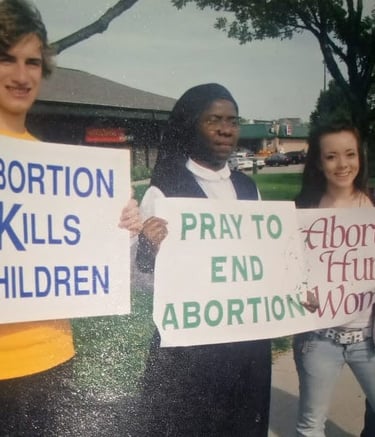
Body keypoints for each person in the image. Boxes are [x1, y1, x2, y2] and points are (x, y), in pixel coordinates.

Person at [0, 1, 141, 434]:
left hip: (52, 355)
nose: (22, 76)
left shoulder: (55, 168)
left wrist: (123, 227)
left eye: (32, 62)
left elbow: (81, 259)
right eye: (6, 58)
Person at [136, 83, 271, 436]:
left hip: (245, 342)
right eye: (214, 120)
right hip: (190, 351)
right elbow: (143, 280)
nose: (226, 129)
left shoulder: (248, 188)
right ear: (192, 125)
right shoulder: (164, 189)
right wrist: (149, 249)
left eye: (233, 120)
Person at [293, 120, 375, 437]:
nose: (343, 165)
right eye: (331, 156)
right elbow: (286, 268)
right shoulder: (301, 211)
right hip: (318, 339)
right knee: (311, 425)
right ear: (318, 161)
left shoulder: (372, 206)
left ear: (360, 156)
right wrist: (300, 291)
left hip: (368, 339)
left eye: (350, 154)